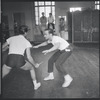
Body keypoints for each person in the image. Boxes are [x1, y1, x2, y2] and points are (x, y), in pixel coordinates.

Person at [2, 25, 41, 90]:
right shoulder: (27, 42)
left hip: (10, 59)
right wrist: (35, 64)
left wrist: (6, 48)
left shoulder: (11, 38)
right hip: (19, 60)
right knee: (31, 68)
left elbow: (2, 47)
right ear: (25, 33)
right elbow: (29, 57)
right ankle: (35, 85)